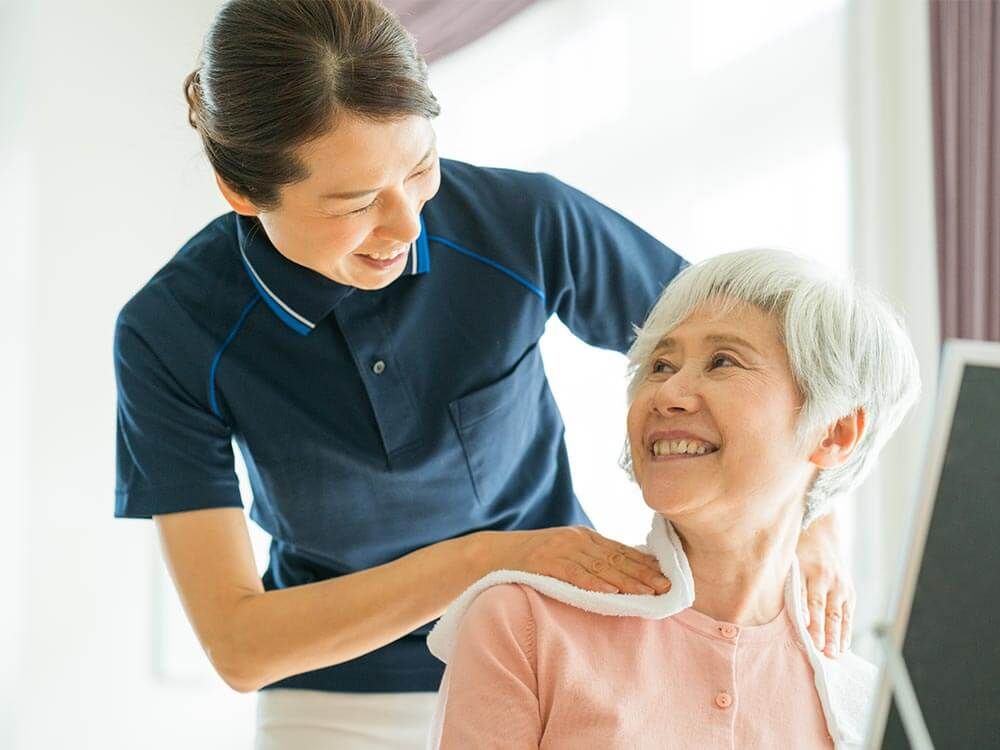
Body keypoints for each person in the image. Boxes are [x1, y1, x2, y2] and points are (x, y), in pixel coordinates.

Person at [112, 1, 854, 747]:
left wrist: (814, 521)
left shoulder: (523, 221)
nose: (406, 224)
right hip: (341, 696)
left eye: (420, 167)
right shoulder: (171, 331)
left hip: (568, 650)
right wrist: (495, 560)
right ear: (242, 193)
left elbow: (757, 362)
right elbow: (241, 646)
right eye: (357, 202)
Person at [428, 248, 921, 748]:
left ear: (835, 432)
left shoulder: (867, 706)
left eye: (723, 361)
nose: (668, 394)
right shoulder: (522, 622)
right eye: (661, 365)